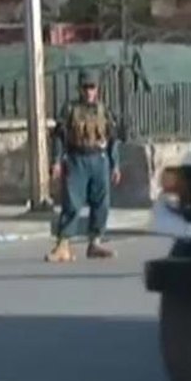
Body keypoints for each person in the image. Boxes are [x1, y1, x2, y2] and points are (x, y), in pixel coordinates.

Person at [47, 68, 122, 263]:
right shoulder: (70, 109)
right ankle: (63, 244)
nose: (89, 91)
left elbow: (113, 139)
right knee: (72, 202)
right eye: (86, 87)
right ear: (80, 89)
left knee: (101, 203)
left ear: (97, 89)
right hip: (76, 159)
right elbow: (59, 137)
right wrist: (56, 161)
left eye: (92, 87)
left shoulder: (104, 110)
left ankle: (95, 242)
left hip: (99, 159)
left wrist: (115, 165)